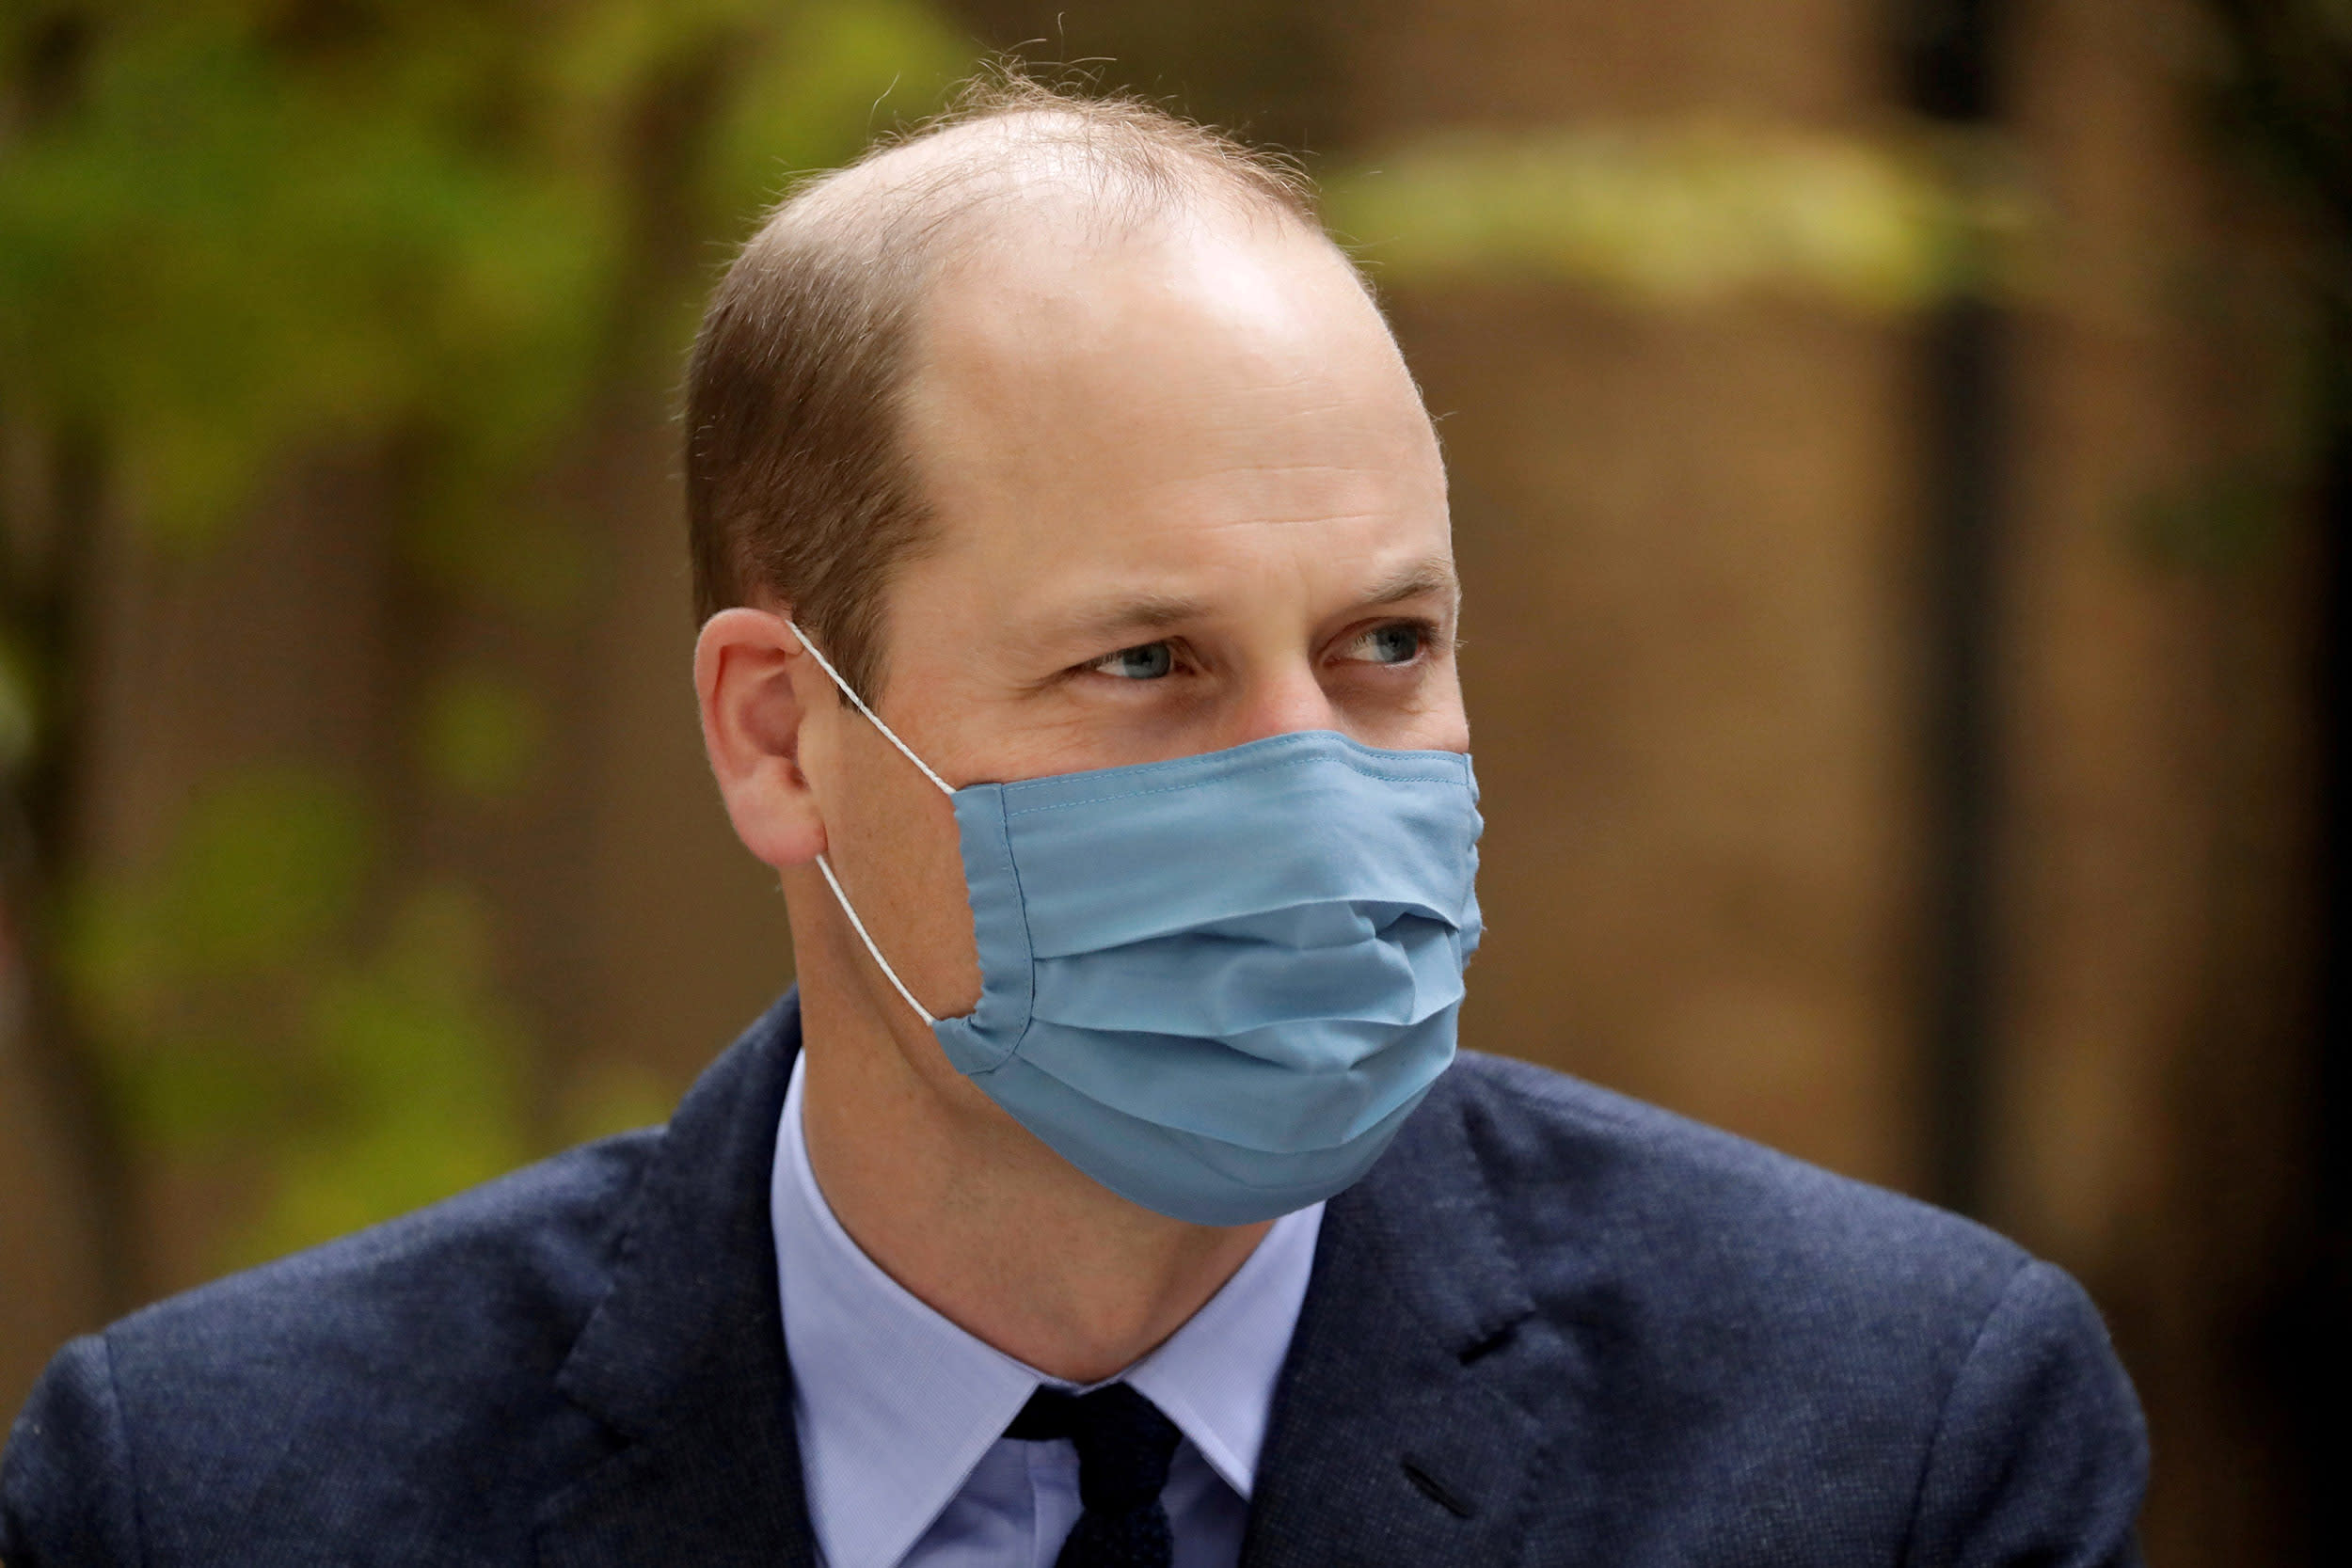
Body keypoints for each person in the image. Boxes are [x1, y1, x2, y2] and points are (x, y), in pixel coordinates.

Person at [0, 79, 2146, 1567]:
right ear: (778, 739)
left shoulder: (1895, 1440)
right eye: (1148, 666)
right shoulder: (209, 1491)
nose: (1314, 779)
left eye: (1386, 644)